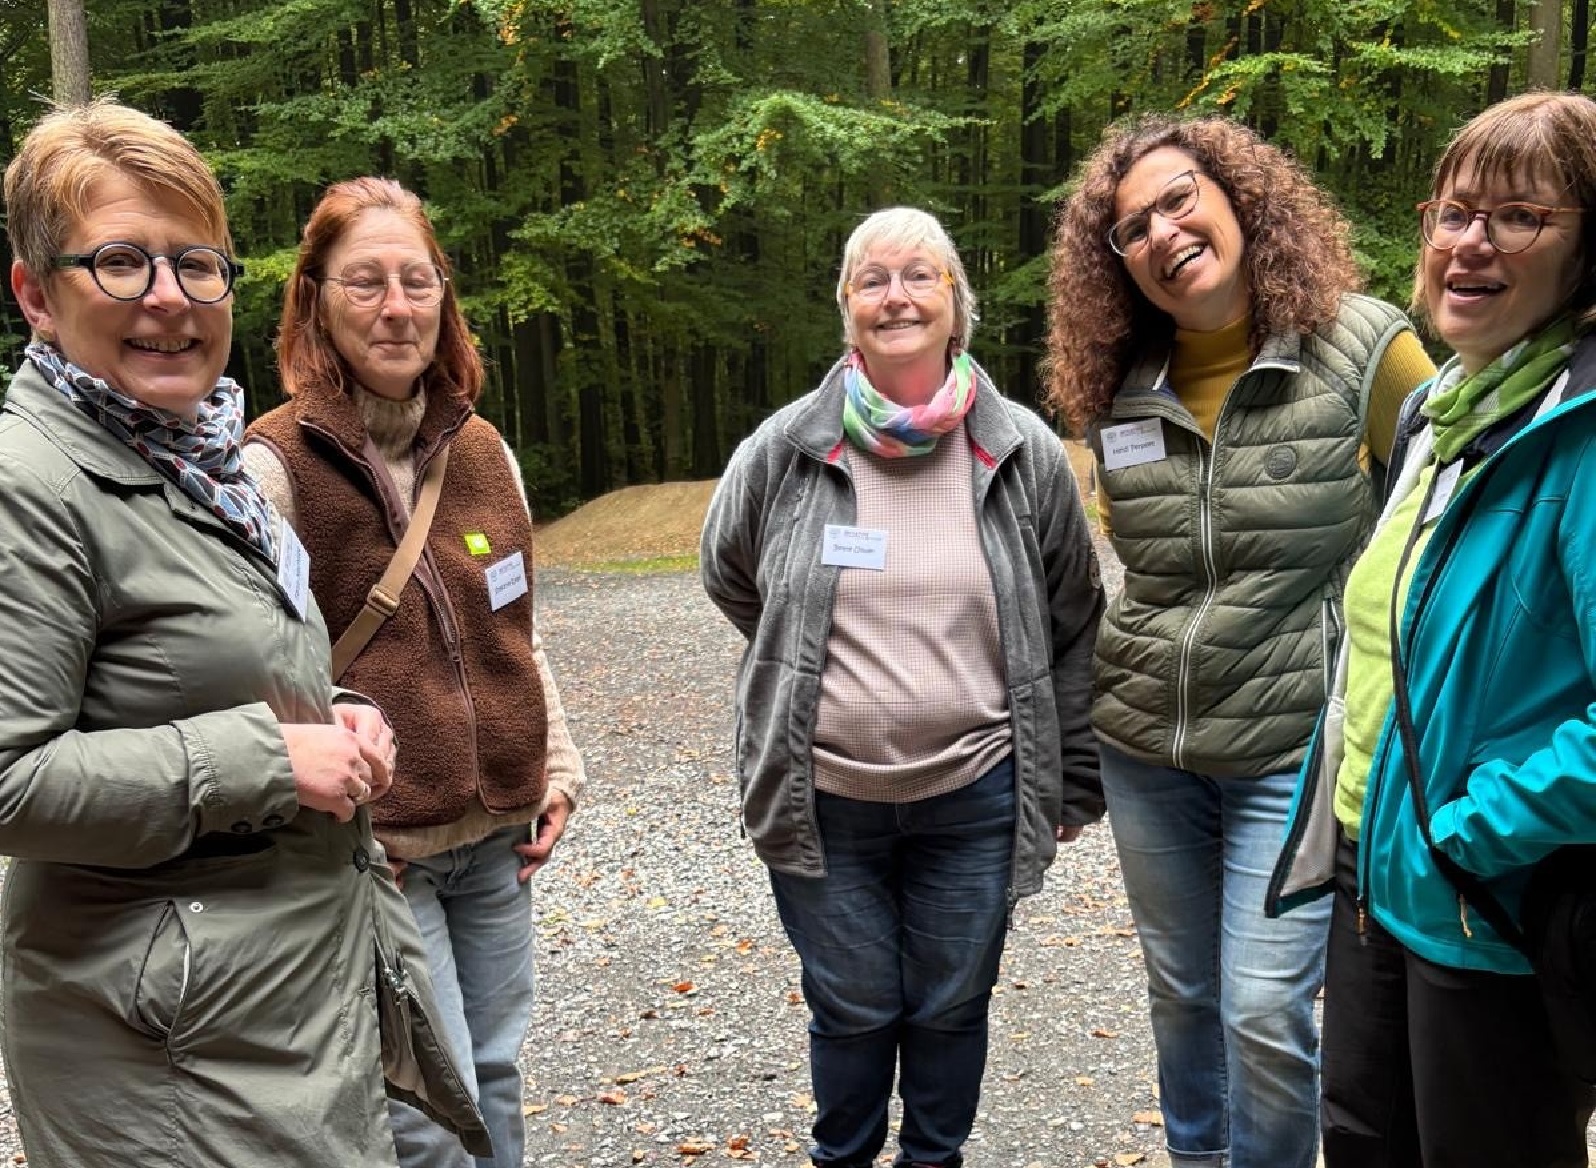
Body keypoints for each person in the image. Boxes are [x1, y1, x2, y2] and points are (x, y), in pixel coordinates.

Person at [0, 101, 486, 1167]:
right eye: (121, 263)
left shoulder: (197, 460)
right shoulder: (29, 483)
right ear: (36, 293)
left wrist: (338, 717)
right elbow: (9, 777)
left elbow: (204, 672)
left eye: (196, 263)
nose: (169, 300)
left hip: (271, 1010)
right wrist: (269, 757)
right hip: (165, 1056)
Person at [1045, 115, 1435, 1168]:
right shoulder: (1118, 381)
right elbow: (1138, 550)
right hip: (1145, 748)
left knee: (1264, 1009)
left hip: (1291, 749)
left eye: (1180, 198)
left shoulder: (1367, 344)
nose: (1164, 232)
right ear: (1115, 262)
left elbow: (1438, 525)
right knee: (1183, 999)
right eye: (1132, 227)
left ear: (1239, 196)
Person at [700, 206, 1105, 1168]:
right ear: (846, 309)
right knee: (852, 1005)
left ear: (955, 303)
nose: (897, 296)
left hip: (979, 790)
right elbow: (730, 573)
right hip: (822, 796)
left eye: (919, 275)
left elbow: (1074, 618)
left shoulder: (1023, 452)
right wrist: (805, 659)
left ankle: (935, 1157)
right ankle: (841, 1158)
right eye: (872, 279)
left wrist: (1073, 778)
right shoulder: (786, 448)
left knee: (952, 1001)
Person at [1269, 91, 1596, 1167]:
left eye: (1520, 217)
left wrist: (1474, 825)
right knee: (1361, 1140)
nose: (1470, 243)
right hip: (1376, 870)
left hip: (1486, 900)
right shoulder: (1442, 408)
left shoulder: (1579, 435)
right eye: (1454, 213)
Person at [243, 176, 585, 1168]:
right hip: (379, 852)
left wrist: (557, 767)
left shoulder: (484, 450)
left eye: (417, 281)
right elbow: (260, 680)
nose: (397, 307)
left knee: (497, 1069)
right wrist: (334, 824)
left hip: (496, 841)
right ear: (313, 300)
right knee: (426, 1109)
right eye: (365, 284)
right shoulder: (272, 470)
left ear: (444, 297)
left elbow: (518, 633)